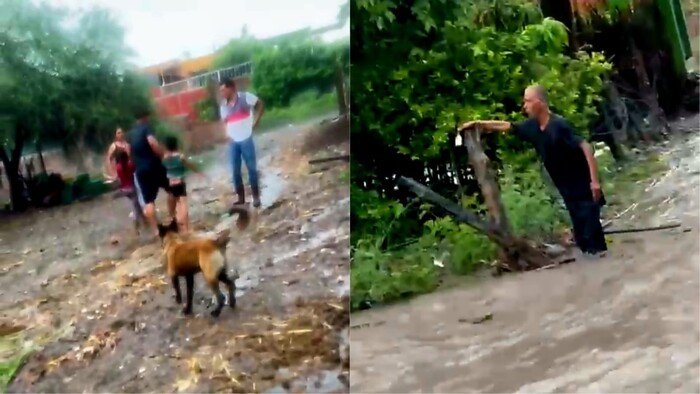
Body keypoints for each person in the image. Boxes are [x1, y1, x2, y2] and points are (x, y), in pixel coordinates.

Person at [459, 85, 608, 257]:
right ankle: (596, 266)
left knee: (592, 238)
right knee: (583, 238)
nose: (525, 106)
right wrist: (479, 124)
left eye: (528, 101)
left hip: (583, 186)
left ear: (540, 102)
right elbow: (507, 126)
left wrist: (594, 182)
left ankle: (605, 266)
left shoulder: (559, 125)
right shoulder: (533, 127)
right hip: (566, 189)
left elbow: (586, 147)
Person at [128, 109, 176, 239]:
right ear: (145, 117)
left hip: (140, 171)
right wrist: (164, 154)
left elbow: (129, 153)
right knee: (172, 189)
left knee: (149, 201)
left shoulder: (131, 134)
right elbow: (153, 143)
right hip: (154, 166)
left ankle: (156, 230)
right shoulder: (146, 128)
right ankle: (172, 219)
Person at [218, 78, 265, 208]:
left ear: (231, 88)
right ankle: (241, 198)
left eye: (223, 90)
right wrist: (227, 135)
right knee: (235, 171)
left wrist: (256, 122)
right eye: (220, 91)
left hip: (246, 138)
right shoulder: (223, 105)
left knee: (251, 168)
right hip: (233, 141)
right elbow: (225, 122)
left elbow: (260, 104)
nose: (222, 93)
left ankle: (256, 197)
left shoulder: (245, 97)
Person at [162, 136, 206, 233]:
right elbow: (189, 165)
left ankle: (180, 226)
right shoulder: (180, 156)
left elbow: (164, 167)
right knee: (183, 204)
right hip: (180, 183)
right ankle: (186, 228)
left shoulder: (165, 157)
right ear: (176, 144)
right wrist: (199, 172)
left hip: (171, 184)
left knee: (177, 205)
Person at [114, 149, 146, 234]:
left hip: (124, 190)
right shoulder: (130, 165)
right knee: (136, 208)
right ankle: (136, 228)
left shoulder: (118, 167)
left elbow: (119, 179)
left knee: (137, 206)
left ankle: (145, 222)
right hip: (132, 189)